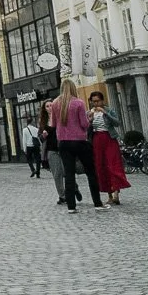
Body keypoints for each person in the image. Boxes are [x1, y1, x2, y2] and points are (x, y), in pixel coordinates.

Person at [50, 80, 104, 212]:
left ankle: (71, 206)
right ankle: (97, 203)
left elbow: (53, 124)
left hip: (63, 142)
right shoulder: (78, 103)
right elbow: (84, 125)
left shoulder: (55, 104)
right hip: (79, 141)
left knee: (69, 174)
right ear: (73, 88)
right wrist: (89, 118)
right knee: (91, 172)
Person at [87, 89, 130, 207]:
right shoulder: (89, 112)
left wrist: (105, 113)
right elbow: (86, 129)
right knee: (101, 167)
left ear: (102, 101)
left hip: (109, 139)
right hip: (97, 140)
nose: (96, 104)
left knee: (113, 165)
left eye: (98, 101)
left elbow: (117, 123)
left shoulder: (109, 110)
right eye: (93, 102)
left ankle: (116, 193)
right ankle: (109, 195)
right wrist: (89, 121)